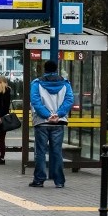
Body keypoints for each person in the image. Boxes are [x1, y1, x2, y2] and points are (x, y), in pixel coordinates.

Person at [29, 60, 74, 188]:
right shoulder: (65, 84)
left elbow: (35, 101)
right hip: (58, 123)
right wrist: (58, 114)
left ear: (45, 69)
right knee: (57, 152)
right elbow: (69, 100)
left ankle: (39, 179)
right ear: (56, 69)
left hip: (42, 122)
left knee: (40, 152)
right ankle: (59, 181)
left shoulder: (37, 84)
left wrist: (47, 115)